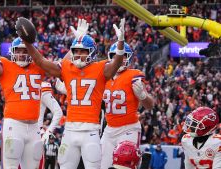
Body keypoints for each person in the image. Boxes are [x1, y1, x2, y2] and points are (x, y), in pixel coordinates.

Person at [21, 17, 126, 168]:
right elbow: (41, 61)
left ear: (92, 53)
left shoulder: (100, 68)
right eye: (76, 51)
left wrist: (120, 42)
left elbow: (117, 62)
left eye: (83, 51)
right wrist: (27, 43)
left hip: (91, 131)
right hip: (70, 130)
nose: (78, 55)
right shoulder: (67, 67)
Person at [0, 7, 44, 168]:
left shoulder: (39, 65)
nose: (21, 54)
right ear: (13, 52)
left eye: (24, 50)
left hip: (34, 126)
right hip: (14, 125)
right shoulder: (5, 65)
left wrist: (76, 44)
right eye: (18, 51)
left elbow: (63, 67)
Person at [100, 41, 154, 169]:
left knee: (126, 165)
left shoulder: (134, 75)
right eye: (116, 55)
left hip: (128, 129)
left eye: (124, 55)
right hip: (109, 129)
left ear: (129, 57)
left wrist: (143, 96)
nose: (119, 58)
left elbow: (150, 105)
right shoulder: (104, 76)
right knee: (101, 165)